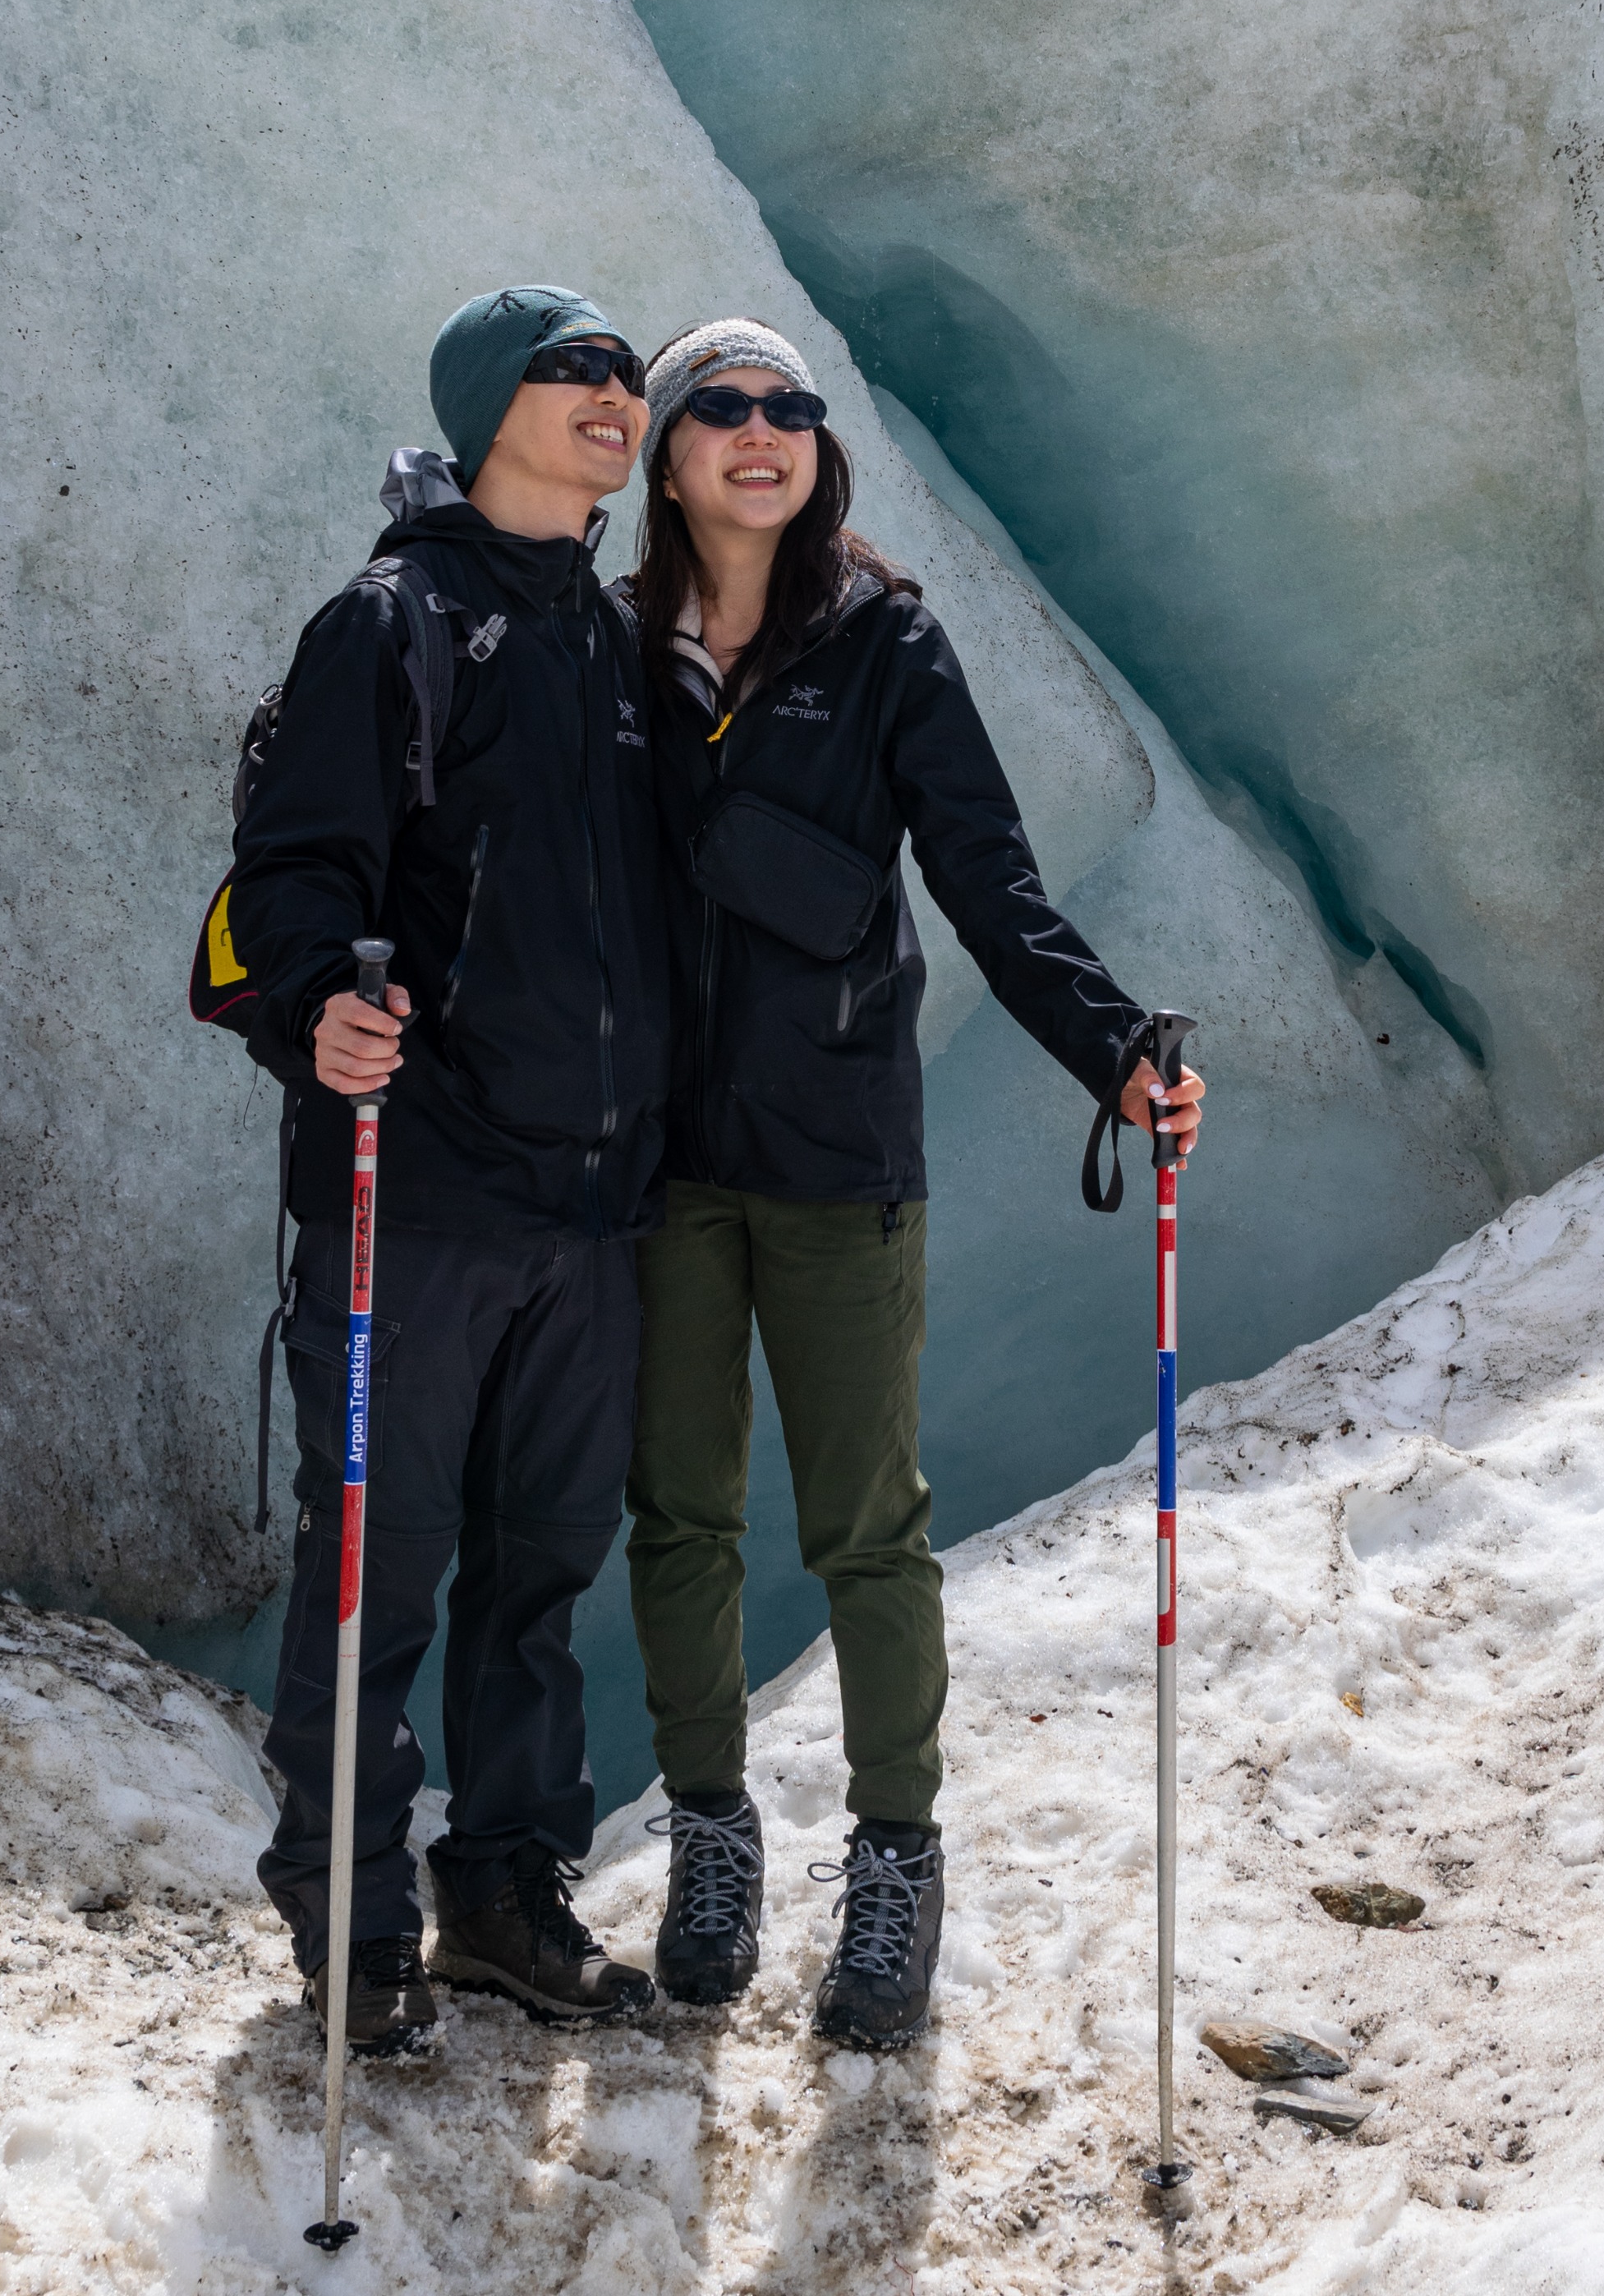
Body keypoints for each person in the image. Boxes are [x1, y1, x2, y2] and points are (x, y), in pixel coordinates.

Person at [619, 315, 1203, 2050]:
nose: (758, 431)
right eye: (717, 407)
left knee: (868, 1524)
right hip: (657, 1159)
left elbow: (989, 883)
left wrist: (1117, 1048)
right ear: (663, 451)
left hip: (834, 1154)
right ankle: (710, 1836)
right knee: (680, 1516)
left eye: (788, 408)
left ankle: (895, 1862)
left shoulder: (886, 648)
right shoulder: (611, 648)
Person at [216, 284, 671, 2053]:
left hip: (593, 1205)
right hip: (419, 1186)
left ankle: (502, 1890)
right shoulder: (394, 623)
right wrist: (327, 1003)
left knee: (540, 1568)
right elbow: (290, 879)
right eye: (571, 373)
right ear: (487, 410)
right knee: (380, 1563)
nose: (612, 397)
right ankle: (350, 1919)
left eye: (625, 373)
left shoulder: (619, 643)